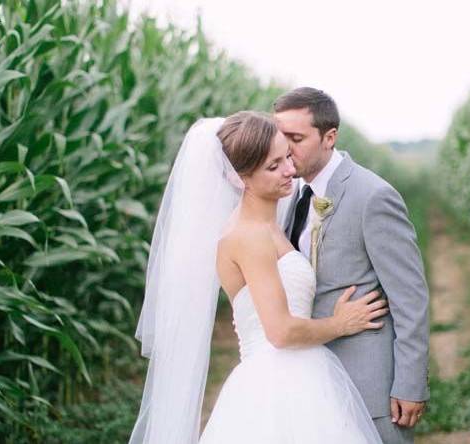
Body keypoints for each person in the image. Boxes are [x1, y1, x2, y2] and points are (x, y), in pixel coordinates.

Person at [129, 112, 387, 443]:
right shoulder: (247, 237)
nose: (290, 171)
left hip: (303, 373)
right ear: (240, 178)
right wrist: (341, 324)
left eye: (286, 157)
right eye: (273, 166)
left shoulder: (270, 224)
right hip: (277, 387)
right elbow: (280, 331)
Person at [274, 87, 430, 443]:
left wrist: (410, 382)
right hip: (310, 376)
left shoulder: (372, 196)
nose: (284, 149)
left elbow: (410, 298)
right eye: (279, 137)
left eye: (295, 138)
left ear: (329, 137)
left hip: (368, 382)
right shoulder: (293, 194)